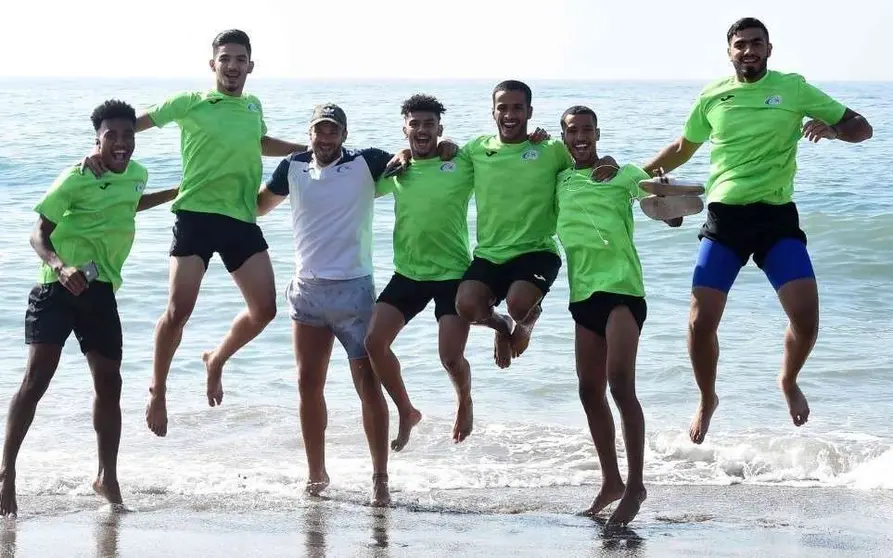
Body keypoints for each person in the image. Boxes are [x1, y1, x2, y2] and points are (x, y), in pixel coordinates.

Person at [642, 17, 873, 444]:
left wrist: (835, 130)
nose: (748, 50)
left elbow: (863, 126)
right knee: (699, 322)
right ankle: (707, 398)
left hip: (775, 219)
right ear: (729, 51)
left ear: (769, 49)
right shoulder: (712, 96)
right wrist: (636, 177)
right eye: (740, 44)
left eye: (756, 44)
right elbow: (681, 148)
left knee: (806, 318)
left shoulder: (793, 88)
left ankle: (787, 380)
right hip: (725, 219)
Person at [83, 30, 306, 437]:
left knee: (266, 310)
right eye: (226, 58)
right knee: (178, 310)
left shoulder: (253, 106)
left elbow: (259, 142)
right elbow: (132, 125)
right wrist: (99, 149)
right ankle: (159, 388)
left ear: (251, 66)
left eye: (241, 59)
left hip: (240, 218)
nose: (233, 65)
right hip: (195, 216)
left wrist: (302, 149)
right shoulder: (190, 103)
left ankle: (216, 359)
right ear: (213, 64)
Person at [255, 103, 440, 506]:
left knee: (366, 385)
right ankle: (316, 476)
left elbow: (409, 161)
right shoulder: (292, 167)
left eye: (333, 131)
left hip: (354, 292)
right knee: (308, 385)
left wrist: (435, 149)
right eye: (319, 131)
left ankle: (380, 480)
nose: (325, 138)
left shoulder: (365, 162)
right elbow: (257, 207)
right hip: (307, 293)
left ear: (343, 133)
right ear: (310, 134)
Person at [0, 100, 178, 517]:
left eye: (128, 135)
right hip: (57, 290)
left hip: (100, 292)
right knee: (36, 380)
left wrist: (173, 193)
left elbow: (129, 202)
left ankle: (106, 477)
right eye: (111, 136)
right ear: (96, 139)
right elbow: (38, 234)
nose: (120, 143)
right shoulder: (75, 178)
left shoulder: (137, 174)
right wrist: (62, 268)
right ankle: (6, 472)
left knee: (109, 383)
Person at [556, 105, 699, 527]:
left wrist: (669, 199)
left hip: (622, 291)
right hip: (583, 295)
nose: (580, 137)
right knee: (588, 391)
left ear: (598, 133)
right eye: (572, 131)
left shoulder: (623, 174)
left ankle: (636, 485)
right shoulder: (559, 179)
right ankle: (611, 481)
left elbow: (668, 214)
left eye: (587, 130)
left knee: (620, 385)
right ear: (564, 138)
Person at [455, 80, 607, 369]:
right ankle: (503, 328)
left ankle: (525, 324)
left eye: (517, 108)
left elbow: (585, 163)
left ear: (529, 111)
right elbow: (443, 163)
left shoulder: (551, 149)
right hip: (490, 252)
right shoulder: (476, 149)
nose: (510, 115)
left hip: (537, 250)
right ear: (493, 112)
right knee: (467, 307)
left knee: (519, 305)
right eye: (503, 108)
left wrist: (608, 162)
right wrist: (414, 152)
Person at [365, 94, 476, 452]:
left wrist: (453, 148)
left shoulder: (461, 164)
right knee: (373, 343)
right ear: (405, 129)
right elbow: (360, 186)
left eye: (429, 124)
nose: (422, 130)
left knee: (450, 357)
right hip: (408, 273)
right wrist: (400, 156)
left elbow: (495, 165)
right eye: (415, 124)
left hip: (452, 273)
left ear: (440, 129)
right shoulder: (397, 170)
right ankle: (406, 410)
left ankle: (464, 401)